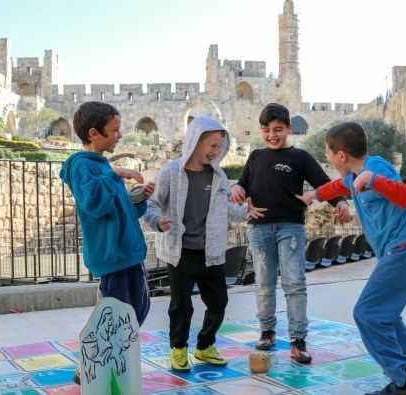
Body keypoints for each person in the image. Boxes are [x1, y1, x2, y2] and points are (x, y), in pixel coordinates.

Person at [300, 122, 406, 395]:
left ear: (341, 155)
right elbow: (338, 186)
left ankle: (404, 380)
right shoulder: (354, 177)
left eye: (327, 153)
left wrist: (373, 180)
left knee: (367, 314)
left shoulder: (375, 168)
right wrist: (313, 195)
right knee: (383, 310)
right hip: (405, 249)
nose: (327, 158)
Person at [231, 103, 350, 364]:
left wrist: (340, 202)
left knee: (294, 283)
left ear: (288, 128)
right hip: (259, 229)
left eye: (278, 129)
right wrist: (237, 192)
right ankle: (267, 332)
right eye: (266, 130)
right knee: (264, 283)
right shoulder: (255, 157)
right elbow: (241, 186)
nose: (272, 135)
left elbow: (323, 183)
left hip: (291, 228)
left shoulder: (300, 157)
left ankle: (298, 339)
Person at [144, 115, 264, 372]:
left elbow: (225, 210)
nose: (216, 151)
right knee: (181, 306)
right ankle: (178, 349)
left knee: (219, 302)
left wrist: (245, 212)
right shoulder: (171, 172)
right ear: (195, 142)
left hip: (211, 250)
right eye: (211, 145)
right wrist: (158, 221)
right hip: (181, 251)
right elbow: (150, 204)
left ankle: (204, 346)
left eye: (219, 146)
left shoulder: (218, 176)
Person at [60, 102, 153, 385]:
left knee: (139, 307)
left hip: (128, 252)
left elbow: (122, 208)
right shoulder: (80, 166)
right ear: (93, 134)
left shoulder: (101, 167)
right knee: (112, 316)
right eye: (115, 130)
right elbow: (93, 203)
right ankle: (89, 365)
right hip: (112, 256)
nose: (120, 135)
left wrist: (138, 197)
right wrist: (116, 175)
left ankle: (112, 358)